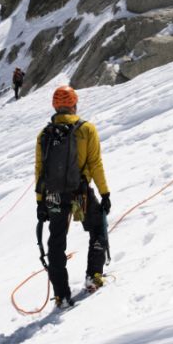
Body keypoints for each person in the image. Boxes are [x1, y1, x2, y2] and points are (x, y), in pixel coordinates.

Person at [35, 86, 112, 308]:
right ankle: (94, 275)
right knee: (96, 227)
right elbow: (95, 164)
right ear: (74, 104)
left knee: (56, 243)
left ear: (55, 106)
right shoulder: (86, 129)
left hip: (54, 197)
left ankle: (61, 295)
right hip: (79, 194)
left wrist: (40, 202)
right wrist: (104, 192)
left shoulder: (44, 135)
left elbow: (40, 171)